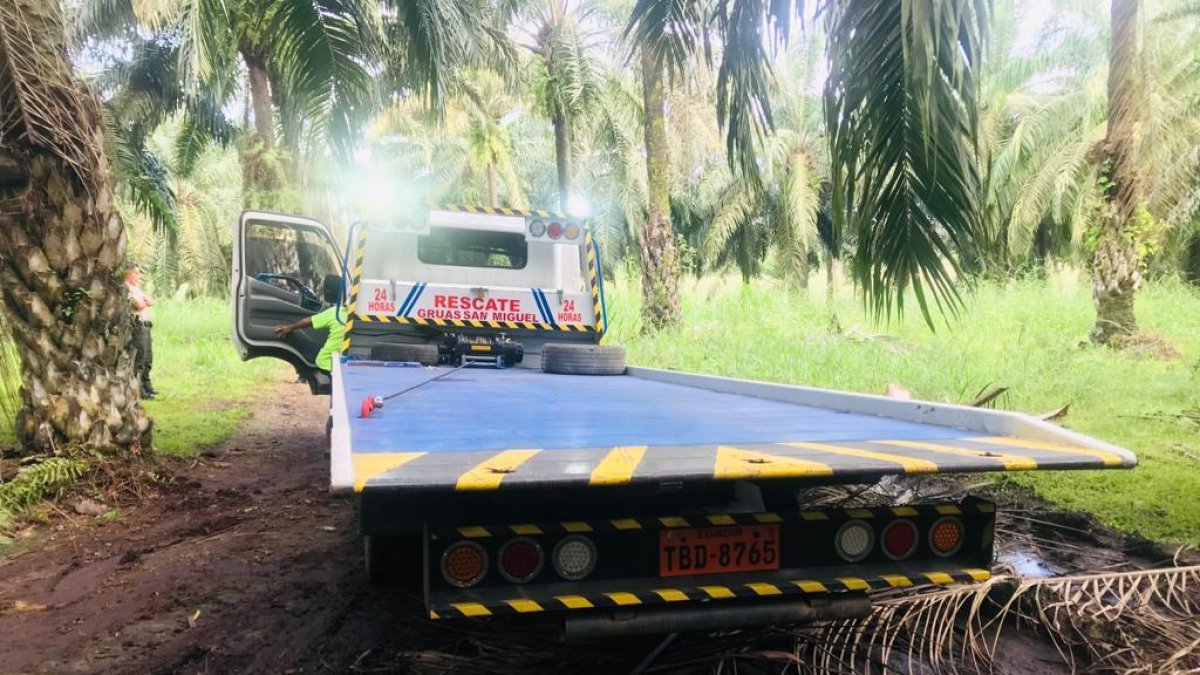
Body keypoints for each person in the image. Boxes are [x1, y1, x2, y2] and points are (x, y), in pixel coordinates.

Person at [274, 276, 346, 374]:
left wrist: (290, 327)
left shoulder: (336, 313)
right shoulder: (363, 319)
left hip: (327, 363)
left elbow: (309, 321)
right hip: (348, 366)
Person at [125, 264, 157, 399]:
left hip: (146, 326)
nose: (139, 276)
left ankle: (147, 385)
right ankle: (139, 390)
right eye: (136, 273)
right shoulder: (126, 289)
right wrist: (144, 302)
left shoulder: (136, 289)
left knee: (148, 358)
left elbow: (151, 301)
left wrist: (145, 301)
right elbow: (138, 305)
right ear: (128, 274)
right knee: (140, 358)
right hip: (137, 326)